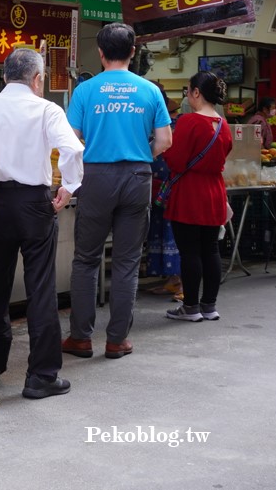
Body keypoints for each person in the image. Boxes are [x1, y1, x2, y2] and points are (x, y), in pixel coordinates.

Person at [0, 47, 83, 399]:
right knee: (41, 288)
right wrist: (68, 188)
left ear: (4, 77)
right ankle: (41, 376)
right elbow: (73, 150)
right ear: (37, 79)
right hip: (34, 204)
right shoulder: (46, 108)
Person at [63, 23, 172, 360]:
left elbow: (70, 139)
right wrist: (141, 153)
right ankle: (117, 341)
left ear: (100, 52)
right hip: (138, 176)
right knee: (126, 262)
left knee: (85, 259)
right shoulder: (150, 90)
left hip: (95, 177)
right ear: (133, 52)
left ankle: (81, 338)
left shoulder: (85, 91)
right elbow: (166, 140)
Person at [163, 72, 233, 322]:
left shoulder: (188, 122)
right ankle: (209, 305)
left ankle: (190, 307)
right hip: (214, 190)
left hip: (190, 192)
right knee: (211, 249)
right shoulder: (223, 124)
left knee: (190, 252)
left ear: (196, 93)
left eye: (188, 91)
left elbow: (176, 160)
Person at [146, 85, 182, 300]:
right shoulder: (151, 124)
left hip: (171, 186)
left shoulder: (175, 126)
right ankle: (171, 280)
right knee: (159, 232)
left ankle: (181, 283)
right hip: (155, 187)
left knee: (174, 234)